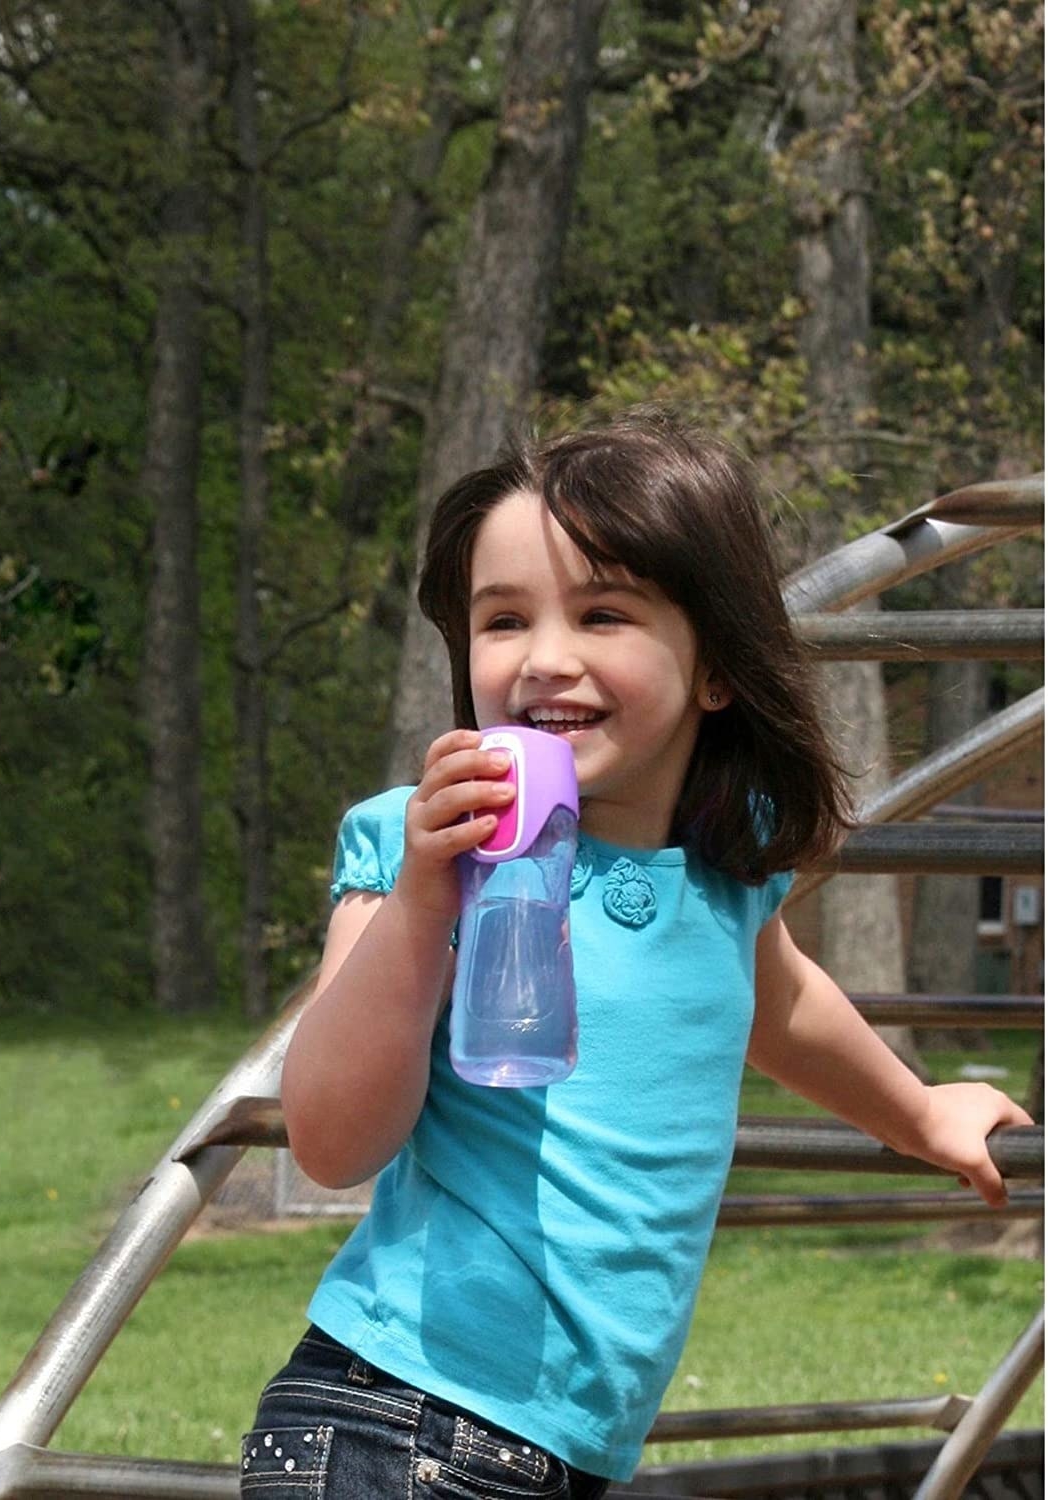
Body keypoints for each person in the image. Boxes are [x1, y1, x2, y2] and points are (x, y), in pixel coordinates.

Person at [242, 410, 1031, 1499]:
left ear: (714, 669)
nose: (544, 660)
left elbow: (782, 1003)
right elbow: (331, 1139)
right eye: (503, 620)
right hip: (398, 1420)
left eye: (603, 613)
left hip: (561, 1452)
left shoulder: (724, 871)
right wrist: (425, 897)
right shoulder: (421, 846)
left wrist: (918, 1113)